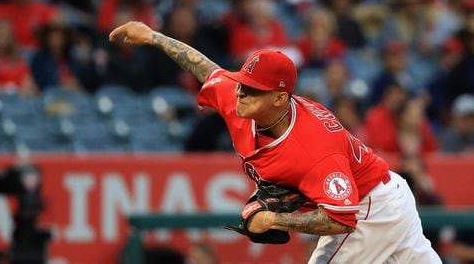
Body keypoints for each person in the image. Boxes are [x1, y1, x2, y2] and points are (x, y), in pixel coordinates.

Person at [109, 21, 442, 263]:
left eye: (252, 89)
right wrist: (154, 37)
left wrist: (276, 219)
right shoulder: (242, 101)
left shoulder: (311, 148)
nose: (240, 92)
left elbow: (342, 218)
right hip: (383, 192)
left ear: (280, 98)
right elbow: (206, 69)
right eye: (242, 83)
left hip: (371, 206)